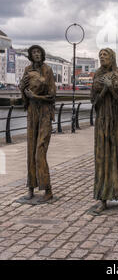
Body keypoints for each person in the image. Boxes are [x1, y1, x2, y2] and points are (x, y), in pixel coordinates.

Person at [90, 48, 118, 213]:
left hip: (117, 122)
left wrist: (111, 88)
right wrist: (105, 89)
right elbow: (94, 102)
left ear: (112, 58)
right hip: (102, 122)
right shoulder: (97, 75)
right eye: (100, 55)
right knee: (102, 158)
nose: (102, 57)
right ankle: (103, 199)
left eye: (105, 55)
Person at [19, 45, 56, 202]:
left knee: (40, 151)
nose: (37, 54)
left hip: (45, 113)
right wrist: (22, 88)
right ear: (30, 55)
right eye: (34, 52)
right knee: (30, 150)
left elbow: (52, 95)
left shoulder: (47, 70)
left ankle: (48, 190)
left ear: (42, 54)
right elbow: (24, 94)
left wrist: (36, 97)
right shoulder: (27, 69)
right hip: (32, 114)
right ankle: (31, 188)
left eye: (39, 52)